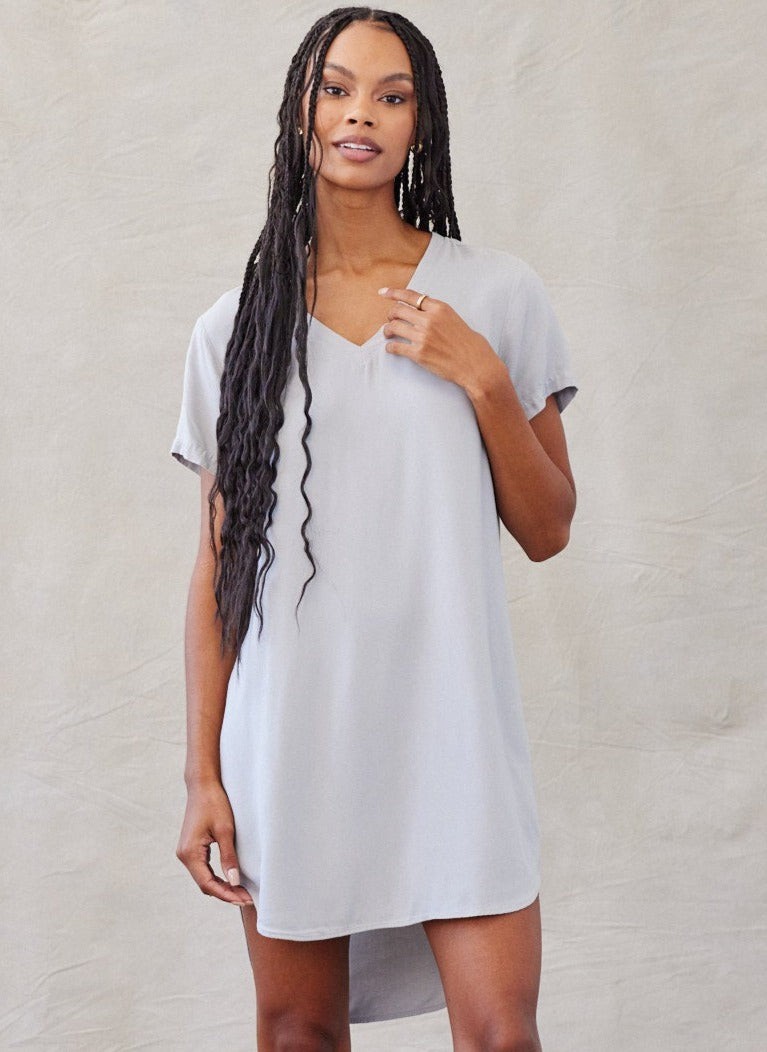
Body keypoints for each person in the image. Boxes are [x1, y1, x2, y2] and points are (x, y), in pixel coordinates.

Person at [170, 7, 578, 1051]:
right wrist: (203, 775)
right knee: (297, 1030)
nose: (361, 114)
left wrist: (482, 378)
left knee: (501, 1030)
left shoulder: (494, 294)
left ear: (419, 123)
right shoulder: (235, 329)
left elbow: (547, 527)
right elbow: (217, 569)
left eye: (391, 96)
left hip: (453, 728)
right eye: (337, 89)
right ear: (298, 113)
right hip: (292, 734)